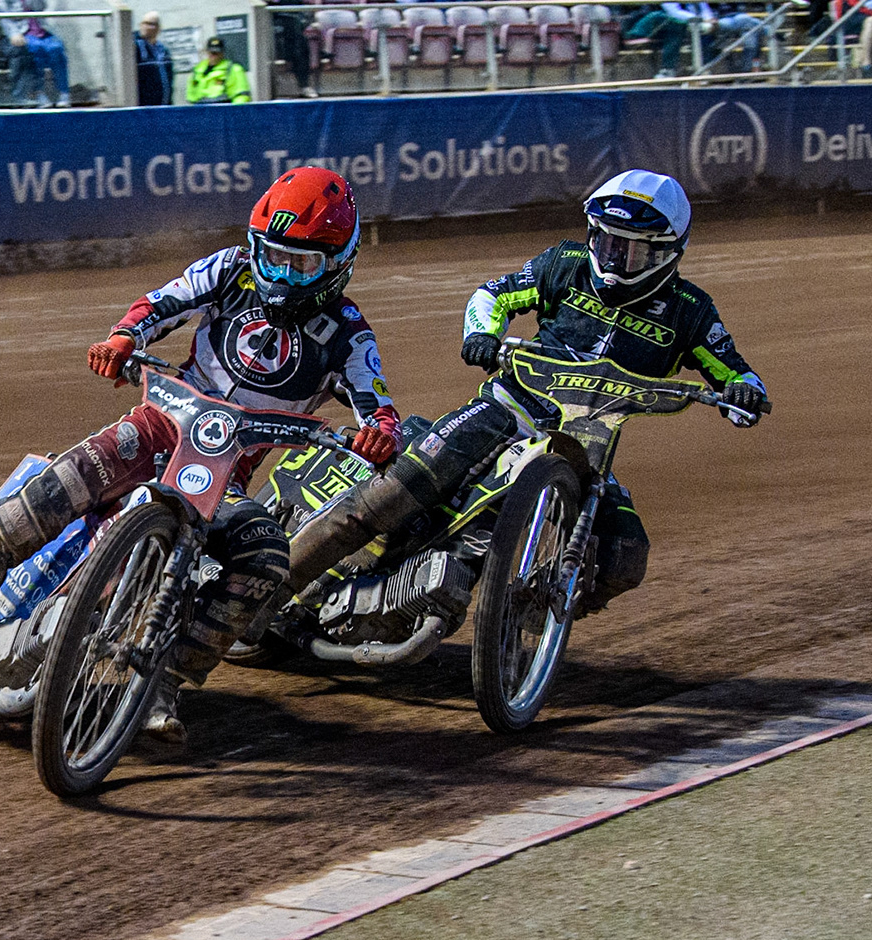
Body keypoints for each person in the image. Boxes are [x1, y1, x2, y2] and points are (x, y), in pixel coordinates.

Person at [0, 168, 405, 742]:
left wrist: (379, 432)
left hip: (223, 475)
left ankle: (163, 682)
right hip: (154, 429)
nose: (281, 276)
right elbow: (160, 303)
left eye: (301, 265)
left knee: (266, 557)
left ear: (339, 263)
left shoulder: (349, 334)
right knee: (41, 498)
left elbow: (377, 404)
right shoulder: (229, 270)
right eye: (273, 258)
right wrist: (126, 337)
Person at [283, 170, 767, 621]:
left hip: (586, 445)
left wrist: (743, 394)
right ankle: (268, 592)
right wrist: (483, 335)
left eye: (631, 250)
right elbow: (492, 294)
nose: (613, 257)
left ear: (666, 253)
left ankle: (526, 623)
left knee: (625, 554)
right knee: (392, 495)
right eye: (605, 240)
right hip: (506, 408)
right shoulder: (565, 262)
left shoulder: (691, 311)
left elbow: (737, 374)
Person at [0, 0, 68, 107]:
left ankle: (64, 93)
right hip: (22, 32)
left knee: (56, 48)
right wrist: (13, 34)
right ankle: (40, 93)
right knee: (36, 49)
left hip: (42, 30)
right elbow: (4, 17)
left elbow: (42, 6)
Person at [186, 36, 248, 104]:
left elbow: (241, 96)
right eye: (211, 52)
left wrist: (233, 112)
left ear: (222, 52)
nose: (214, 55)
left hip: (222, 109)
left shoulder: (233, 70)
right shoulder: (198, 70)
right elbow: (190, 96)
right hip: (200, 109)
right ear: (207, 51)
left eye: (216, 52)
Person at [133, 9, 172, 106]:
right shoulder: (135, 48)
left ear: (158, 28)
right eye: (144, 23)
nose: (146, 27)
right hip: (144, 109)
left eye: (150, 24)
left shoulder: (163, 50)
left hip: (164, 106)